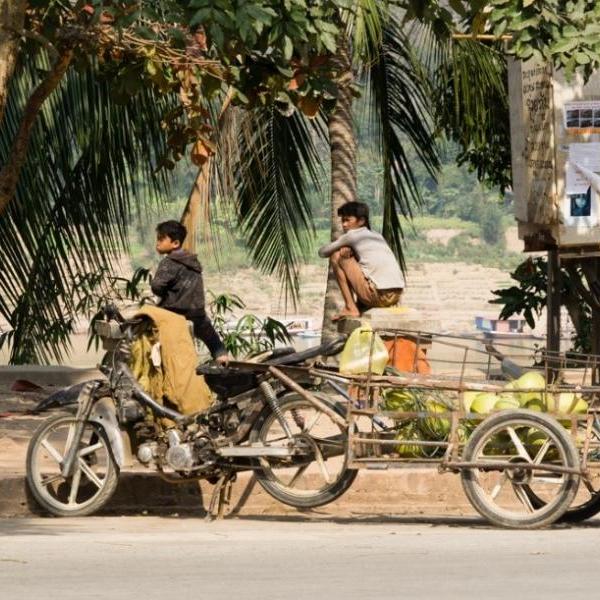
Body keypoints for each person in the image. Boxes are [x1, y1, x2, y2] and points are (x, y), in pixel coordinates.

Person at [151, 220, 229, 365]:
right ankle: (222, 356)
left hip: (174, 312)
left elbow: (156, 286)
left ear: (175, 243)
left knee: (147, 321)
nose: (157, 243)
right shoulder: (194, 262)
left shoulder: (169, 262)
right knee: (210, 336)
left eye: (161, 239)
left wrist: (164, 294)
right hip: (197, 311)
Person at [318, 202, 404, 320]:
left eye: (348, 220)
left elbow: (323, 252)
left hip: (377, 296)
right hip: (396, 296)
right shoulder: (376, 236)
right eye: (342, 221)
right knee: (358, 259)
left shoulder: (352, 235)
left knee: (336, 256)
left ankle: (350, 307)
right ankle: (359, 305)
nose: (344, 225)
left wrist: (343, 246)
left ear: (361, 221)